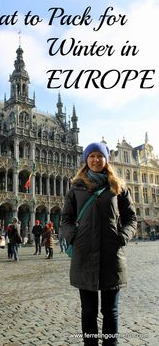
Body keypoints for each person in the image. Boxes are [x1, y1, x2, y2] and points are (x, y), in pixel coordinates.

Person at [61, 142, 137, 346]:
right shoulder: (76, 187)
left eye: (100, 156)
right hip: (84, 255)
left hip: (111, 256)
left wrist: (122, 237)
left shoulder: (117, 187)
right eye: (92, 156)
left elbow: (131, 218)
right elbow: (66, 219)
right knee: (88, 312)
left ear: (106, 160)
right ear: (86, 160)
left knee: (110, 312)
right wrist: (74, 238)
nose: (96, 160)